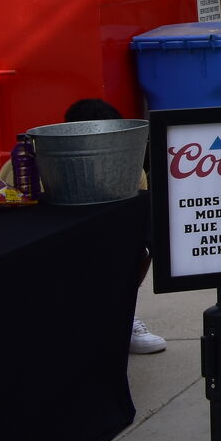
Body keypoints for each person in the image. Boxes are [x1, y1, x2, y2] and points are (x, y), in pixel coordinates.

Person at [59, 98, 167, 355]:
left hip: (106, 246)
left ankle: (123, 317)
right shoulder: (41, 165)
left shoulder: (129, 169)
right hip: (56, 251)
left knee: (146, 237)